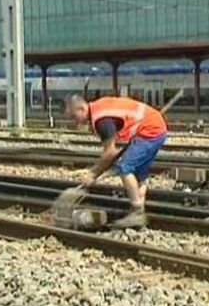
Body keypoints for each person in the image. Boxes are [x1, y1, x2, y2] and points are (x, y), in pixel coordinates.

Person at [64, 94, 168, 228]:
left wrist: (93, 174)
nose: (75, 122)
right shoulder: (98, 108)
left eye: (74, 117)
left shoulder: (101, 120)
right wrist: (102, 169)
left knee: (125, 168)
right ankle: (138, 213)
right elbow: (115, 152)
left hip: (151, 130)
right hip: (154, 127)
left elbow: (110, 152)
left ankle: (137, 212)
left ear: (81, 109)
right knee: (139, 173)